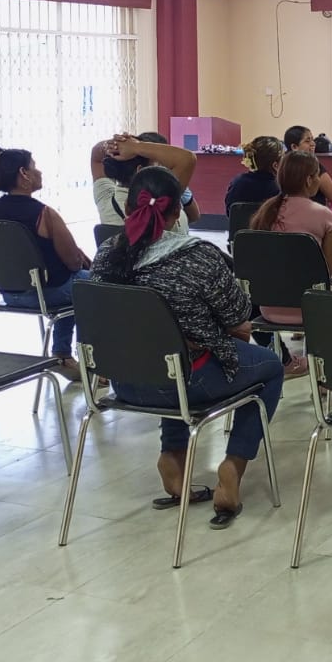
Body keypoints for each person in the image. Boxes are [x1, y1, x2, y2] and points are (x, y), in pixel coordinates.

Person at [90, 165, 283, 528]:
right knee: (270, 366)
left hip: (126, 380)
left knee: (165, 356)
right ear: (177, 210)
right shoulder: (197, 255)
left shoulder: (107, 255)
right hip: (192, 380)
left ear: (128, 208)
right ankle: (234, 465)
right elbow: (239, 315)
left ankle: (173, 456)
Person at [0, 146, 92, 377]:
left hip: (8, 293)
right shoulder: (45, 214)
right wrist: (79, 257)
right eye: (34, 166)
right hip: (46, 293)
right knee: (93, 285)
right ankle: (90, 359)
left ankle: (63, 355)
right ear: (24, 174)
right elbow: (73, 263)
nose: (39, 172)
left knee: (76, 287)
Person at [249, 151, 332, 376]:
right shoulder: (324, 215)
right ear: (309, 180)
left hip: (268, 307)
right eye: (317, 175)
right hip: (309, 308)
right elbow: (329, 270)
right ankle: (324, 375)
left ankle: (281, 357)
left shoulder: (264, 213)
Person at [92, 131, 200, 227]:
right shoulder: (161, 200)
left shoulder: (106, 197)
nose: (165, 170)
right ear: (141, 171)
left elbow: (96, 156)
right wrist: (135, 146)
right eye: (159, 165)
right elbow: (187, 158)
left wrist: (116, 144)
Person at [225, 136, 283, 213]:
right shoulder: (281, 188)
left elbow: (230, 211)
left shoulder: (238, 182)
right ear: (276, 165)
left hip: (241, 221)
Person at [284, 125, 332, 205]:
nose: (313, 144)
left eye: (312, 139)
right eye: (307, 141)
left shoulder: (282, 165)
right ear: (294, 147)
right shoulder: (312, 166)